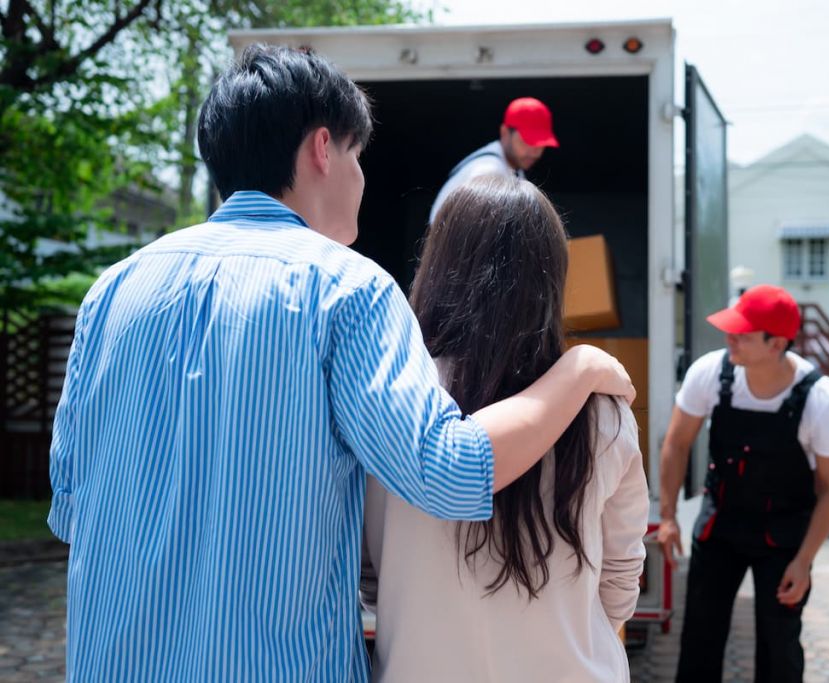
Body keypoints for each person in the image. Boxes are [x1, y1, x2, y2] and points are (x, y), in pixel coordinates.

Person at [46, 45, 634, 682]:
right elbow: (452, 474)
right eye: (358, 156)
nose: (361, 178)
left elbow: (71, 507)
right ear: (323, 149)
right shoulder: (348, 289)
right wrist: (580, 373)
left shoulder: (113, 289)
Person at [361, 175, 649, 683]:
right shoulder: (602, 410)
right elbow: (621, 578)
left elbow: (367, 574)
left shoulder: (391, 397)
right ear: (551, 280)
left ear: (437, 267)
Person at [656, 285, 829, 682]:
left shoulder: (824, 400)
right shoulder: (710, 373)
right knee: (699, 640)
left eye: (742, 334)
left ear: (776, 343)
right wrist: (668, 516)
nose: (730, 339)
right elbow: (676, 444)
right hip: (720, 525)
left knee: (779, 649)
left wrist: (804, 561)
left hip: (783, 535)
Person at [428, 96, 559, 223]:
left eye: (541, 143)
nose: (534, 151)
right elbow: (477, 234)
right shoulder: (489, 170)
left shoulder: (511, 167)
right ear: (505, 133)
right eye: (527, 141)